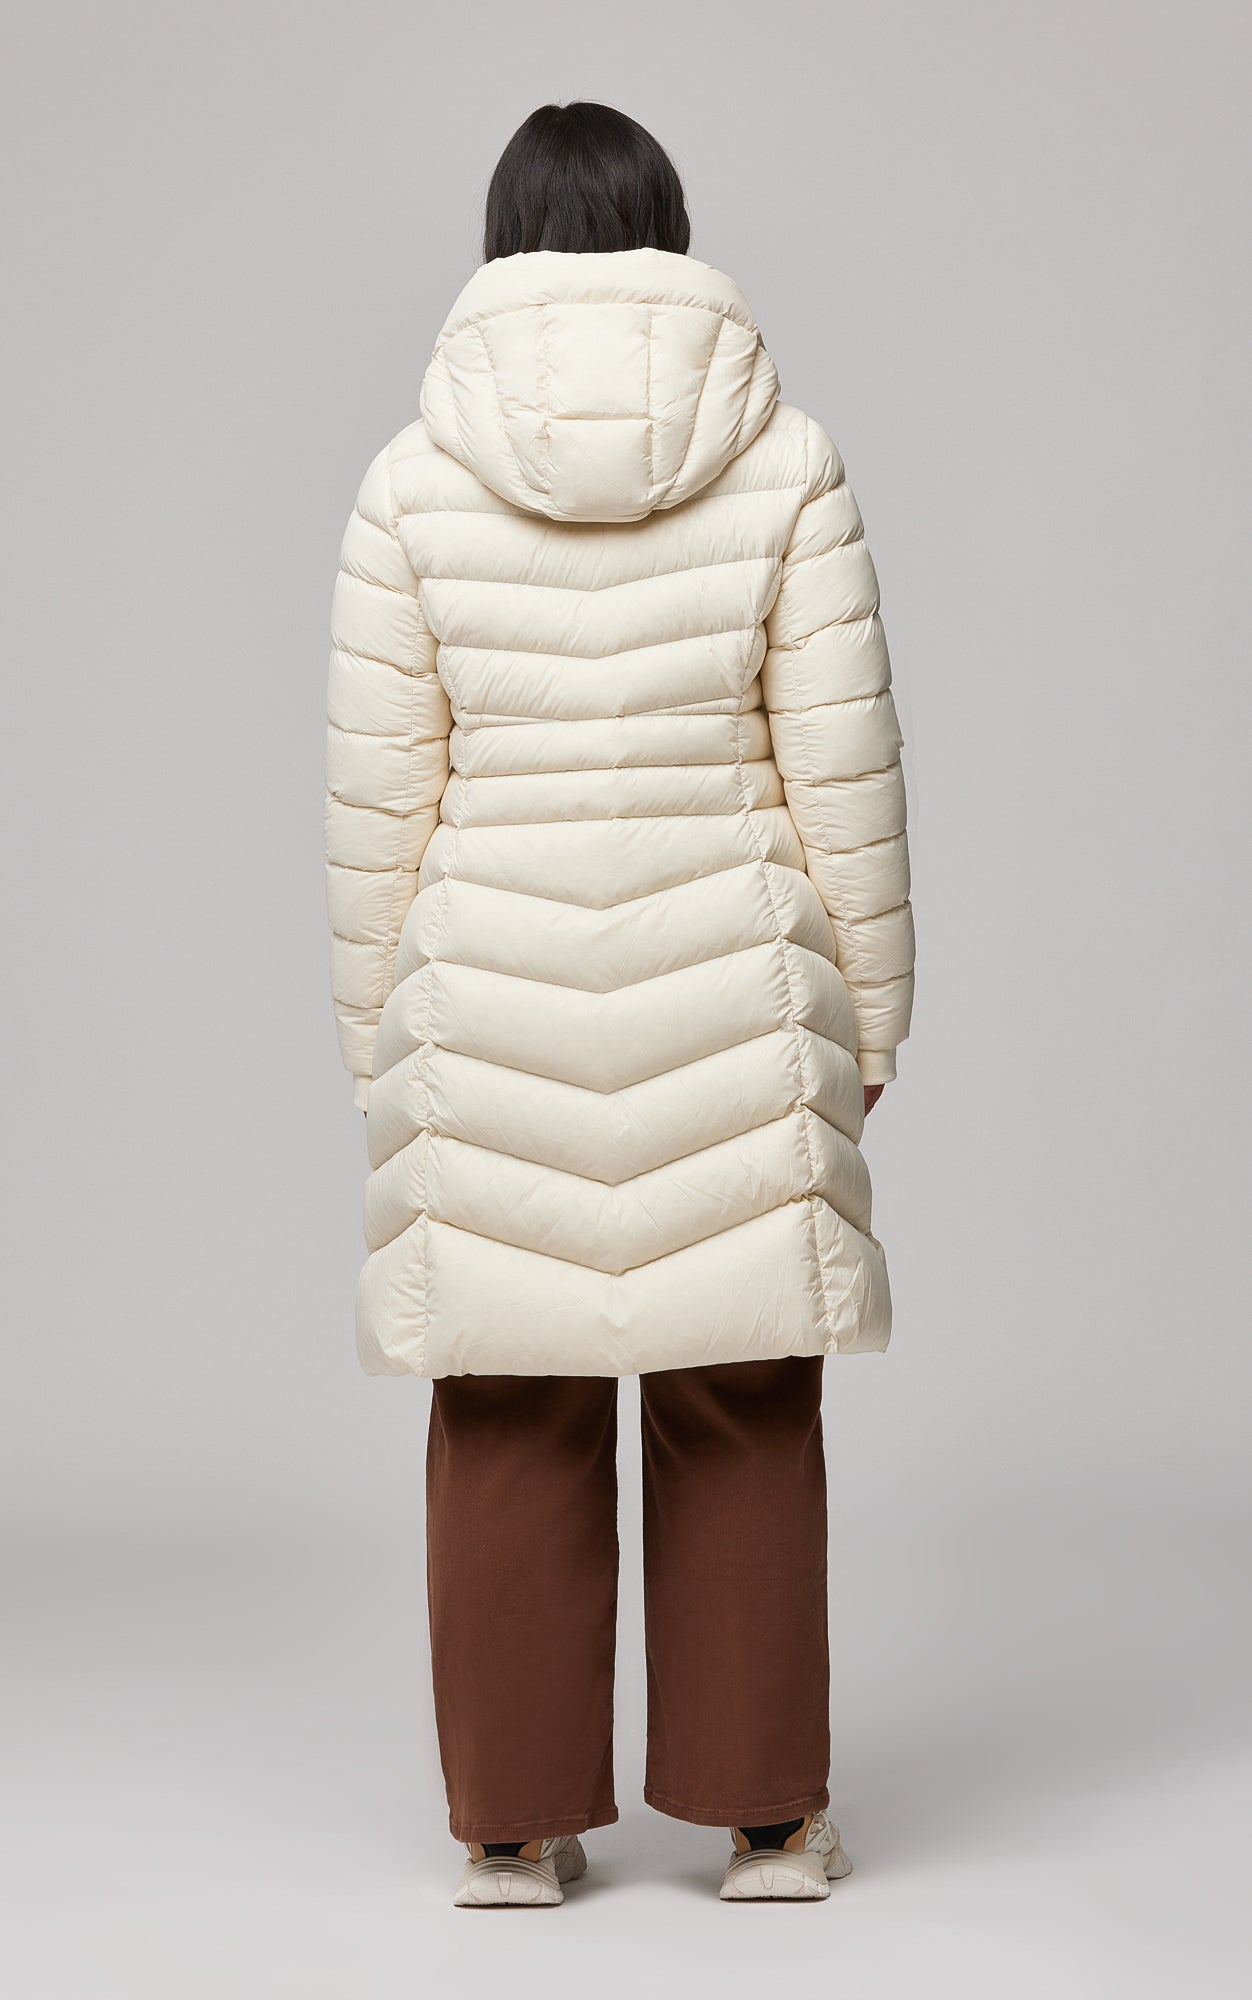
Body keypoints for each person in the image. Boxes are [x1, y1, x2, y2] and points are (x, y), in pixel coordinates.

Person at [324, 100, 915, 1907]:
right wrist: (867, 1027)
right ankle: (768, 1821)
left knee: (507, 1395)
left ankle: (513, 1829)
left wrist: (381, 1049)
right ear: (671, 231)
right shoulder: (786, 459)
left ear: (501, 240)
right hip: (732, 978)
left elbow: (380, 804)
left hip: (490, 991)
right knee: (743, 1385)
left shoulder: (412, 479)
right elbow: (845, 774)